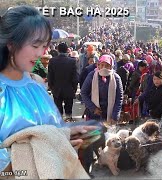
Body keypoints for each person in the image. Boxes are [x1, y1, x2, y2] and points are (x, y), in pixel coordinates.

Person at [0, 5, 95, 175]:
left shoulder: (36, 83)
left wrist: (66, 136)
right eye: (35, 45)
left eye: (44, 46)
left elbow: (49, 132)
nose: (41, 53)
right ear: (11, 44)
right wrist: (24, 163)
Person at [81, 54, 123, 125]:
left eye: (107, 65)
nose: (104, 68)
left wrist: (115, 115)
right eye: (102, 65)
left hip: (109, 115)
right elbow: (84, 93)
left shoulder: (116, 78)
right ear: (98, 65)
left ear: (111, 66)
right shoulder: (92, 75)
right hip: (93, 114)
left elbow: (119, 98)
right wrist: (93, 108)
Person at [48, 43, 78, 122]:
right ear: (67, 50)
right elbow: (75, 78)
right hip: (69, 89)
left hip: (56, 89)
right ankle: (69, 125)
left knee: (58, 109)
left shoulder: (52, 61)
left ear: (57, 50)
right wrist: (74, 89)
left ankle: (60, 125)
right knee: (68, 109)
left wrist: (51, 87)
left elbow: (50, 76)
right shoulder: (72, 61)